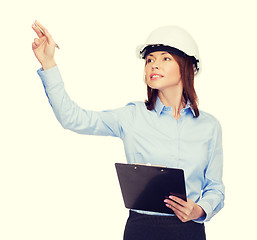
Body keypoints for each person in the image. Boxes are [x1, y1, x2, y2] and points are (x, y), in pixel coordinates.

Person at [32, 21, 225, 240]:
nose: (154, 65)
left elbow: (215, 187)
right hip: (142, 229)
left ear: (187, 66)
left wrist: (199, 210)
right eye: (149, 60)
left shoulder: (209, 126)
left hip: (189, 230)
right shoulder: (132, 116)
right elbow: (72, 118)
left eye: (165, 58)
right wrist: (48, 63)